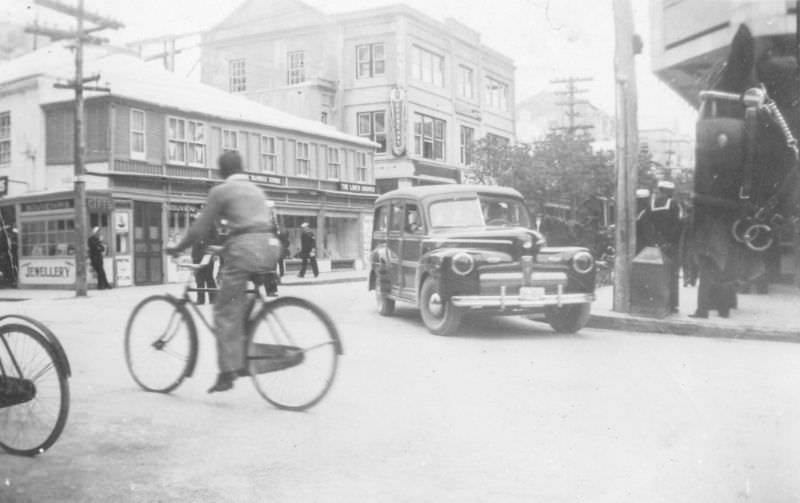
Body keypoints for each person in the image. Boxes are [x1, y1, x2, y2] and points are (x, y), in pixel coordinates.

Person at [167, 151, 279, 393]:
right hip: (268, 249)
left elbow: (199, 229)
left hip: (244, 251)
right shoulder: (256, 190)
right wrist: (223, 247)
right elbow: (252, 227)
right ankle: (242, 348)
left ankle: (227, 373)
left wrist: (177, 247)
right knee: (241, 304)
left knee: (223, 309)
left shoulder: (221, 191)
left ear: (221, 171)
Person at [641, 181, 682, 313]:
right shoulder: (674, 204)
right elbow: (677, 226)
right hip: (669, 245)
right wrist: (669, 242)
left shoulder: (650, 205)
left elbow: (647, 226)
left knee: (653, 272)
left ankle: (654, 301)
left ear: (660, 190)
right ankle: (672, 304)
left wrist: (653, 241)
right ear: (668, 191)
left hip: (654, 244)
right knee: (671, 274)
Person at [190, 217, 218, 305]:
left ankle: (213, 299)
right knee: (199, 278)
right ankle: (200, 300)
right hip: (197, 255)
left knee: (209, 277)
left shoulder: (211, 225)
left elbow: (216, 239)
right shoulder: (195, 225)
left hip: (207, 256)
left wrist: (205, 243)